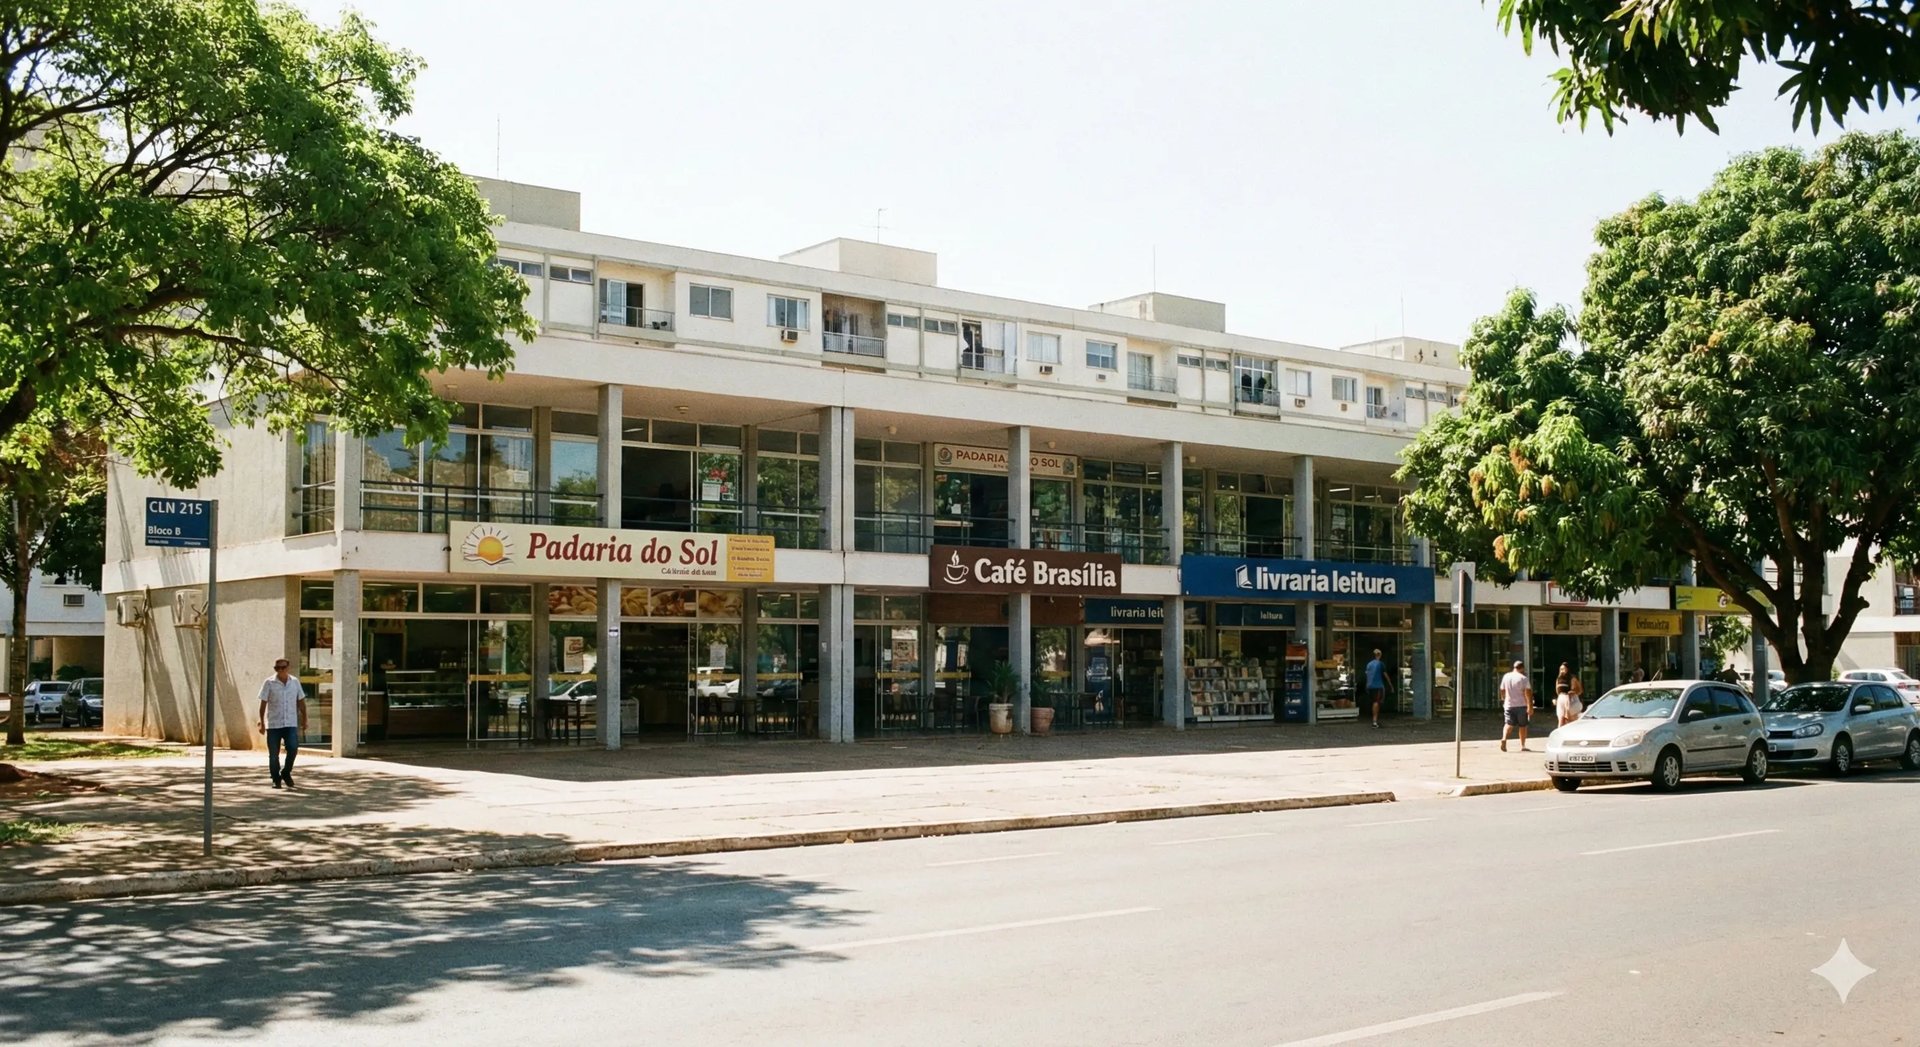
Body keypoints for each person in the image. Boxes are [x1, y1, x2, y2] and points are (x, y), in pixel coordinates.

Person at [256, 658, 307, 789]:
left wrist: (305, 719)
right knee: (273, 754)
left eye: (283, 667)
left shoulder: (294, 682)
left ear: (288, 667)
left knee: (293, 748)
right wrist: (261, 721)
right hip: (274, 723)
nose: (280, 670)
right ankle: (275, 778)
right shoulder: (269, 683)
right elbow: (263, 703)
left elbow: (301, 701)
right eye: (277, 668)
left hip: (290, 722)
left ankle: (286, 772)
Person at [1498, 659, 1533, 752]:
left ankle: (1504, 738)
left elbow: (1502, 689)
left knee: (1508, 724)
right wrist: (1530, 706)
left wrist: (1503, 698)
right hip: (1521, 705)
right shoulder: (1523, 678)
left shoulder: (1506, 676)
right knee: (1523, 726)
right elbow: (1528, 693)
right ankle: (1522, 745)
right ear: (1522, 668)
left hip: (1509, 705)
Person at [1364, 648, 1391, 729]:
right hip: (1378, 686)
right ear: (1379, 655)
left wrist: (1366, 685)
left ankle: (1375, 720)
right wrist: (1390, 684)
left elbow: (1367, 675)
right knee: (1376, 702)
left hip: (1370, 686)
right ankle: (1374, 722)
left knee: (1374, 702)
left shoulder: (1369, 664)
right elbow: (1385, 675)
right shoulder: (1380, 664)